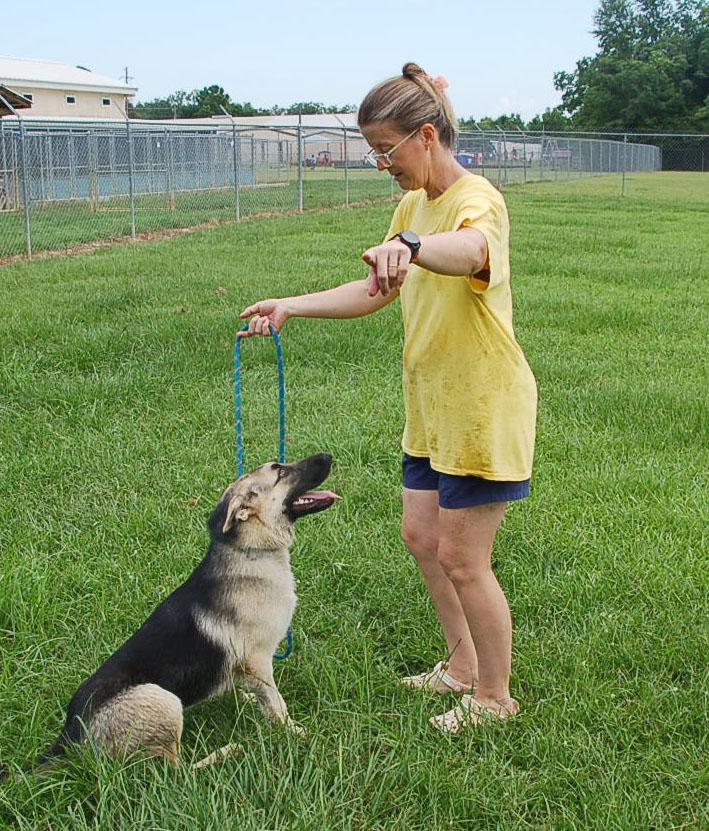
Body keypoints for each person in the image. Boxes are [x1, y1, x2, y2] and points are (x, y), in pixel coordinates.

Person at [239, 62, 537, 732]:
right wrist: (292, 304)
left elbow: (469, 250)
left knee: (464, 559)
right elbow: (376, 288)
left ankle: (494, 698)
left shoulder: (477, 200)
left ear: (425, 135)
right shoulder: (411, 206)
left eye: (385, 149)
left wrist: (415, 244)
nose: (381, 164)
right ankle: (460, 669)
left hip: (482, 407)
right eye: (373, 151)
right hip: (432, 407)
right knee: (422, 537)